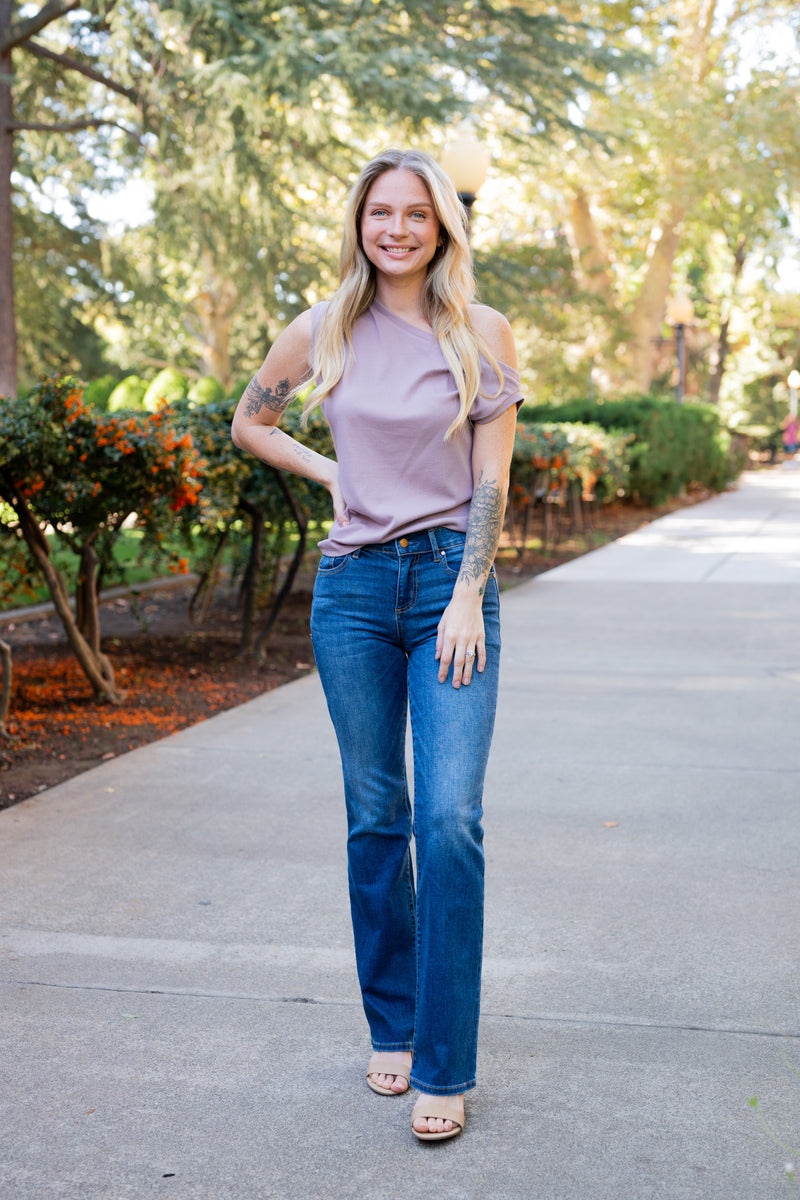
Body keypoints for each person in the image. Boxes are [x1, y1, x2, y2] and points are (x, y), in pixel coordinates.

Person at [231, 147, 522, 1142]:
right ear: (359, 224)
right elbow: (250, 421)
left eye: (415, 214)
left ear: (442, 226)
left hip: (449, 580)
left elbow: (488, 480)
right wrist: (329, 474)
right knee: (374, 816)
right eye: (379, 213)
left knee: (447, 820)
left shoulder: (477, 331)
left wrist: (467, 595)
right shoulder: (322, 328)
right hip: (352, 591)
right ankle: (390, 1025)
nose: (395, 229)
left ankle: (445, 1063)